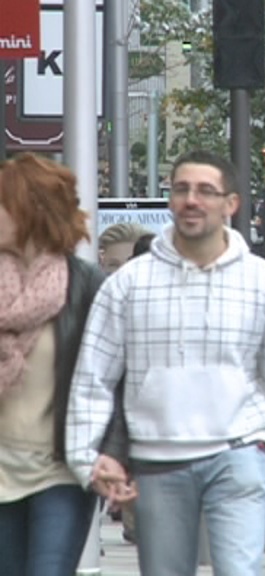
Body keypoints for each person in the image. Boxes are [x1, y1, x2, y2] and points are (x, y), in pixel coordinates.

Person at [65, 150, 265, 574]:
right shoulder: (128, 284)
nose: (191, 200)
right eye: (181, 189)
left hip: (238, 454)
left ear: (231, 204)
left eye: (205, 191)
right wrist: (86, 457)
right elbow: (93, 378)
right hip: (156, 460)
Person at [0, 153, 131, 575]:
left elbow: (117, 379)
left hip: (62, 470)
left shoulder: (87, 286)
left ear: (30, 211)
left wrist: (113, 453)